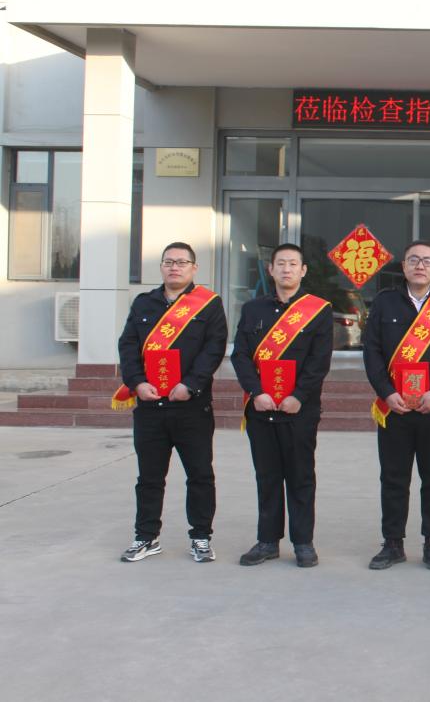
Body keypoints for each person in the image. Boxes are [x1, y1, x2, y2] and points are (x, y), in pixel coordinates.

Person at [362, 241, 430, 570]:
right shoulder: (385, 302)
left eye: (427, 261)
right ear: (404, 266)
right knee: (393, 478)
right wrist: (385, 392)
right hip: (394, 407)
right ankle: (392, 543)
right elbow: (372, 350)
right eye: (413, 260)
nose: (420, 266)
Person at [115, 242, 227, 563]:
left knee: (200, 475)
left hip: (191, 406)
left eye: (181, 262)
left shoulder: (208, 304)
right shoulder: (143, 303)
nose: (174, 267)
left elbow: (214, 348)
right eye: (168, 262)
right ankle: (146, 537)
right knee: (149, 478)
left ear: (194, 268)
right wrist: (137, 383)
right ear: (162, 267)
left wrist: (190, 385)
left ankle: (201, 537)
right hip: (150, 406)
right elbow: (128, 346)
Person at [230, 244, 333, 568]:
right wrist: (256, 392)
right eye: (281, 264)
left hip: (299, 409)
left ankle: (303, 542)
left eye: (293, 264)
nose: (286, 269)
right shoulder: (253, 310)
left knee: (301, 476)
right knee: (267, 476)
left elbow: (319, 361)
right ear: (271, 269)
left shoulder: (318, 310)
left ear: (303, 271)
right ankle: (267, 541)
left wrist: (298, 395)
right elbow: (240, 355)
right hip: (261, 407)